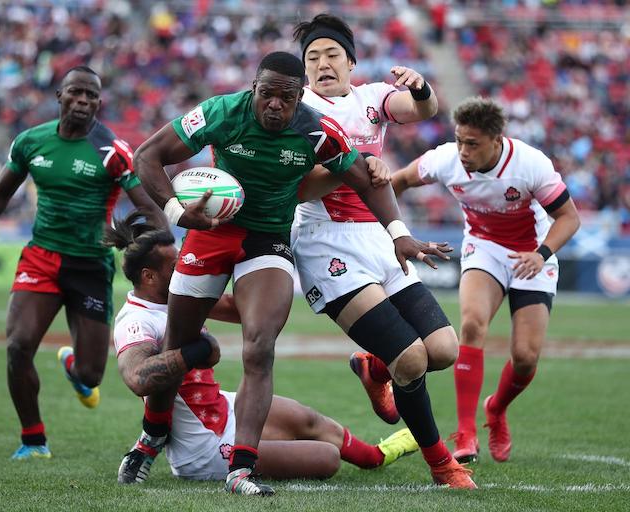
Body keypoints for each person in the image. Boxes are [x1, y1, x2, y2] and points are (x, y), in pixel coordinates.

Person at [130, 51, 447, 495]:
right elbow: (148, 155)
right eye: (267, 94)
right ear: (253, 89)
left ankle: (241, 469)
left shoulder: (317, 129)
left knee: (259, 347)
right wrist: (177, 213)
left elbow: (363, 178)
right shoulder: (222, 112)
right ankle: (151, 435)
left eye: (286, 97)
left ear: (301, 97)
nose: (275, 104)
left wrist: (398, 233)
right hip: (211, 232)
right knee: (176, 345)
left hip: (268, 238)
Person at [291, 14, 475, 489]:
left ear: (351, 62)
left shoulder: (371, 97)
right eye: (312, 58)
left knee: (443, 349)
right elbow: (302, 190)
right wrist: (351, 165)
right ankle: (441, 464)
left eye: (332, 55)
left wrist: (420, 87)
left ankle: (373, 368)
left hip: (378, 232)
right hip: (325, 240)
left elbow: (425, 109)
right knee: (411, 359)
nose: (322, 65)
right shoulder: (298, 110)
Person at [0, 66, 166, 460]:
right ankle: (33, 439)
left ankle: (74, 367)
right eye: (76, 93)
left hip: (91, 266)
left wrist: (151, 246)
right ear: (60, 97)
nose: (83, 101)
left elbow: (150, 209)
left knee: (91, 375)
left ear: (98, 104)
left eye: (91, 97)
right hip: (42, 257)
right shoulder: (31, 142)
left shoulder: (113, 152)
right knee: (17, 346)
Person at [106, 213, 418, 483]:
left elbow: (244, 312)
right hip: (202, 447)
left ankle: (376, 456)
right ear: (148, 277)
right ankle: (155, 443)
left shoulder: (180, 297)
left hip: (220, 407)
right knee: (327, 458)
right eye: (175, 265)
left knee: (309, 420)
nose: (185, 267)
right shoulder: (136, 320)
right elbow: (137, 378)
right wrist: (197, 351)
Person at [391, 96, 580, 464]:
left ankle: (496, 409)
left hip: (532, 253)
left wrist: (541, 255)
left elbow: (569, 218)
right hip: (484, 248)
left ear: (497, 140)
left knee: (525, 357)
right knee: (473, 324)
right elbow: (396, 182)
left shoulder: (529, 164)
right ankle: (465, 433)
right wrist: (392, 231)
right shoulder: (445, 159)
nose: (463, 151)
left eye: (472, 144)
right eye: (460, 140)